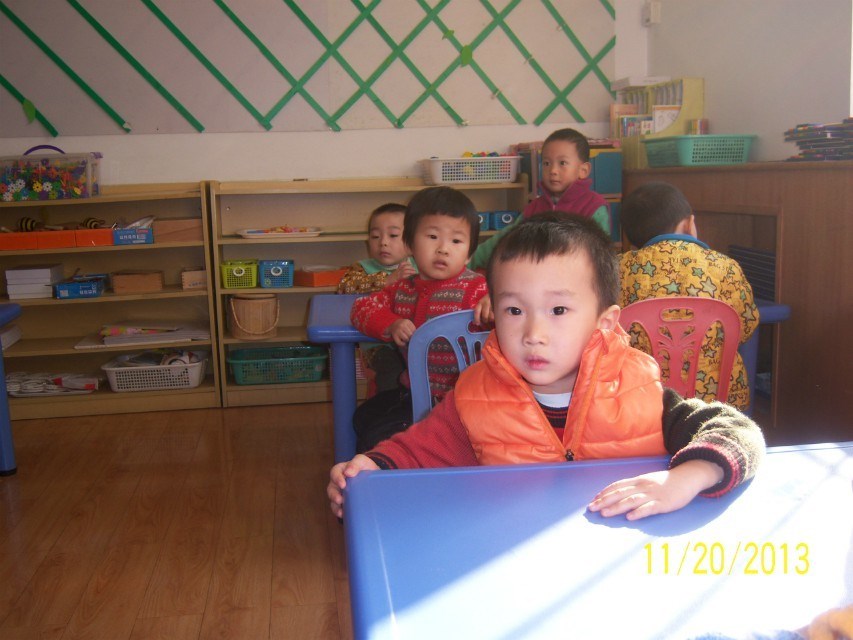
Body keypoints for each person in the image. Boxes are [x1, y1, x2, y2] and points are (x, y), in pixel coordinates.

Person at [329, 212, 765, 520]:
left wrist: (685, 478)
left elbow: (738, 432)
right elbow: (416, 452)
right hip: (516, 557)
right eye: (514, 311)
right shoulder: (474, 397)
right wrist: (368, 468)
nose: (533, 333)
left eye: (558, 310)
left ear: (604, 322)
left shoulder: (637, 390)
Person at [348, 186, 489, 453]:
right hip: (415, 398)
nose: (443, 249)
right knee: (363, 418)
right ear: (410, 244)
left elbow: (515, 307)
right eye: (433, 237)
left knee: (381, 440)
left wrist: (496, 303)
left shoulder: (478, 288)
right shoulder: (402, 289)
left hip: (467, 404)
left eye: (456, 241)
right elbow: (361, 308)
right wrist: (390, 323)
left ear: (470, 252)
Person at [619, 181, 759, 412]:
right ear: (688, 224)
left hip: (641, 398)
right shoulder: (725, 267)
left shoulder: (619, 269)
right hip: (716, 399)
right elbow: (745, 327)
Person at [468, 127, 610, 271]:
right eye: (547, 163)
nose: (553, 171)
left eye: (562, 163)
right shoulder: (535, 207)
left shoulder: (594, 206)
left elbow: (601, 256)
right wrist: (469, 259)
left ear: (583, 170)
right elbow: (505, 239)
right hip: (536, 277)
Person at [337, 203, 416, 396]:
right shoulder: (362, 268)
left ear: (412, 241)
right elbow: (345, 287)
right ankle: (385, 409)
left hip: (412, 339)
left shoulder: (420, 264)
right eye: (375, 236)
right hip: (376, 344)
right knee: (391, 371)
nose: (383, 243)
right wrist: (386, 280)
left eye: (393, 235)